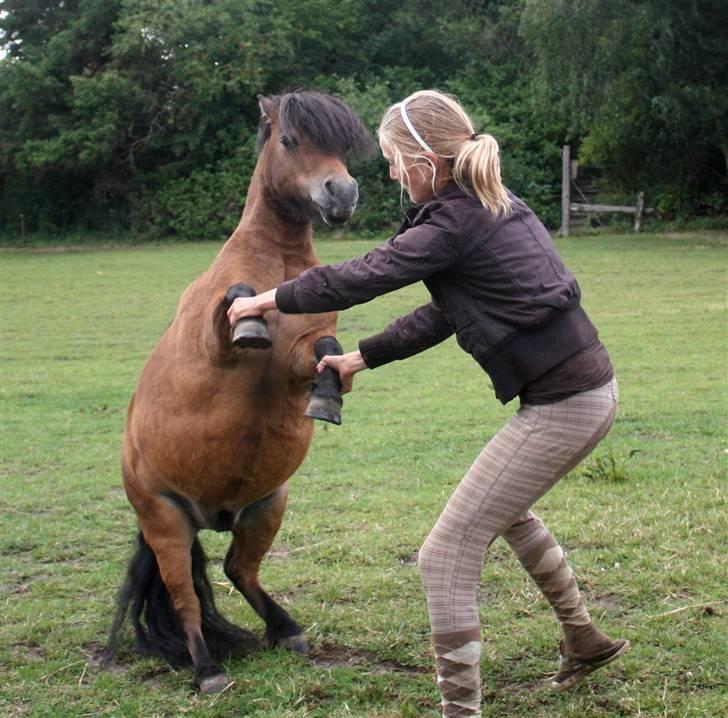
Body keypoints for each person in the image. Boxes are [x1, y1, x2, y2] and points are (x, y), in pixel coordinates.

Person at [227, 90, 629, 717]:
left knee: (443, 554)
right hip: (582, 392)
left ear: (421, 157)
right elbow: (447, 310)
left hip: (566, 402)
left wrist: (268, 301)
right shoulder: (478, 206)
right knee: (509, 513)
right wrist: (365, 356)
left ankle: (460, 710)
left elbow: (365, 274)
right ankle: (585, 637)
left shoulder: (457, 218)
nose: (388, 173)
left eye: (391, 159)